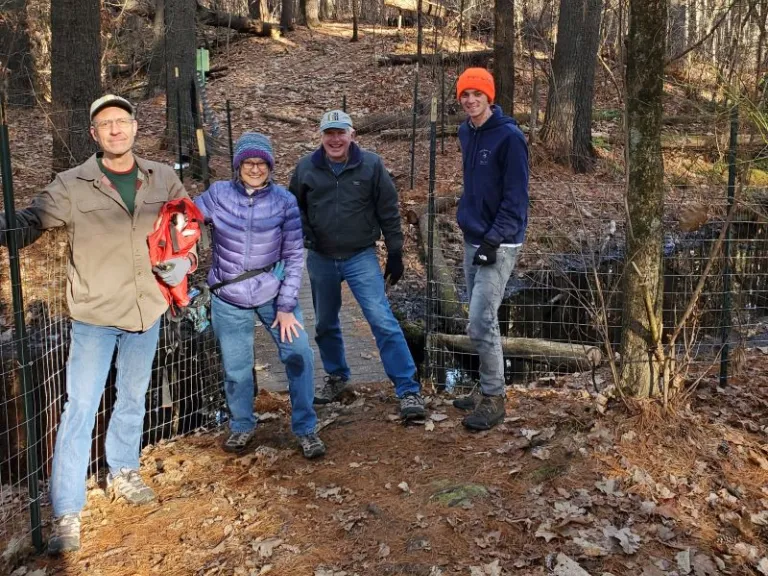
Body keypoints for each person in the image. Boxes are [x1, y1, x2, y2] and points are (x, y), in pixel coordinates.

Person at [0, 95, 197, 553]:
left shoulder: (163, 177)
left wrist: (184, 260)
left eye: (121, 122)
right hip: (93, 316)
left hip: (146, 309)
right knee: (79, 408)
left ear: (133, 127)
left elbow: (188, 224)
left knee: (132, 397)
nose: (115, 130)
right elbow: (32, 221)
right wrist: (8, 226)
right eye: (105, 124)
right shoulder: (71, 184)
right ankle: (67, 511)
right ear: (94, 134)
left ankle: (124, 469)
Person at [288, 110, 426, 420]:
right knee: (324, 323)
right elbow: (292, 206)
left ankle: (408, 389)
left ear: (352, 135)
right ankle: (337, 377)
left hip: (359, 256)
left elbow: (388, 209)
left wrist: (395, 251)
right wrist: (305, 235)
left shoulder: (372, 165)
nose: (335, 139)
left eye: (341, 133)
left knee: (382, 319)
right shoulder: (306, 168)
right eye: (329, 133)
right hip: (321, 257)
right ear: (321, 137)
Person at [195, 132, 325, 459]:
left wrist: (285, 306)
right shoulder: (217, 194)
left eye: (261, 163)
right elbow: (186, 219)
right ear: (238, 165)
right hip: (229, 295)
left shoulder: (284, 202)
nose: (255, 168)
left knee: (299, 354)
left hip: (273, 292)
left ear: (270, 166)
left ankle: (306, 427)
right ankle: (241, 424)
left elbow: (295, 256)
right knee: (236, 368)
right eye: (249, 163)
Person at [451, 68, 530, 430]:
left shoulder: (510, 138)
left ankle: (495, 398)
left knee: (481, 319)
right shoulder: (466, 131)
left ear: (490, 97)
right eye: (465, 94)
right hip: (474, 236)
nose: (470, 100)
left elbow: (516, 199)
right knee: (480, 318)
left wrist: (493, 240)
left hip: (500, 240)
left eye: (476, 94)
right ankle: (485, 387)